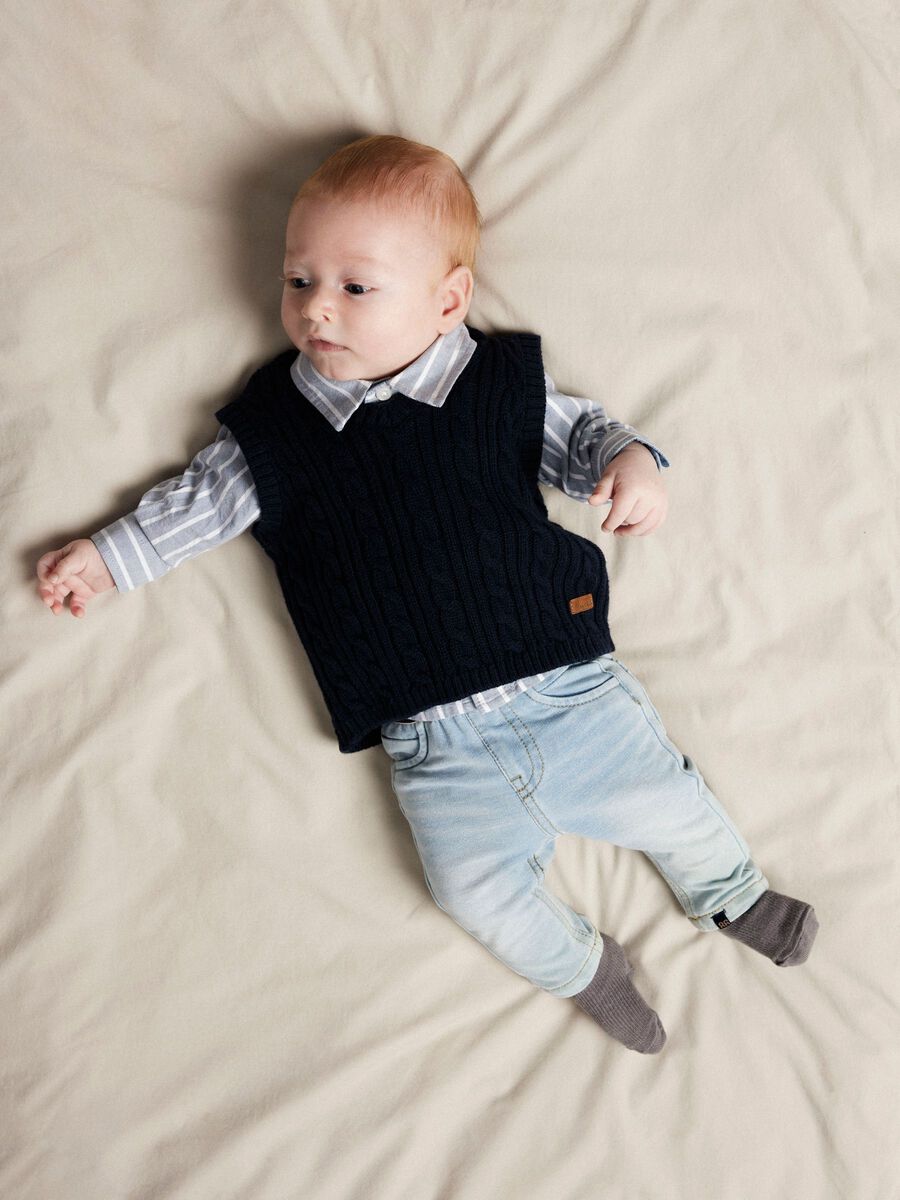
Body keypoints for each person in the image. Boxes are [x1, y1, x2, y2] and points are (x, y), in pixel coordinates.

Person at [34, 134, 818, 1054]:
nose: (317, 307)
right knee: (470, 891)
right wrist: (110, 556)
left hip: (567, 690)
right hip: (432, 745)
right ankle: (583, 968)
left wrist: (633, 464)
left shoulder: (499, 387)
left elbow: (588, 439)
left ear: (448, 301)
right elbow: (199, 504)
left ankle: (733, 895)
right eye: (298, 280)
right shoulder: (274, 429)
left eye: (355, 287)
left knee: (667, 801)